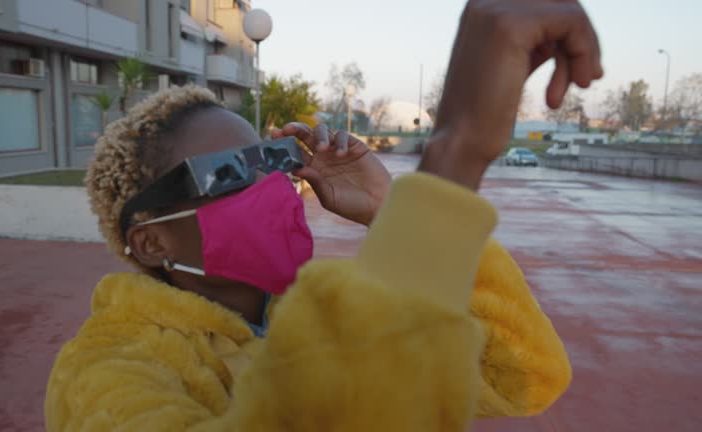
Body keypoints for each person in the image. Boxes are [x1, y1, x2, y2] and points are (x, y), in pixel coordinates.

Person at [45, 0, 603, 430]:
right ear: (151, 243)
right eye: (231, 173)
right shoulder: (102, 372)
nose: (273, 183)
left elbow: (522, 375)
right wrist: (454, 151)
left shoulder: (307, 312)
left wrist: (391, 211)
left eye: (274, 159)